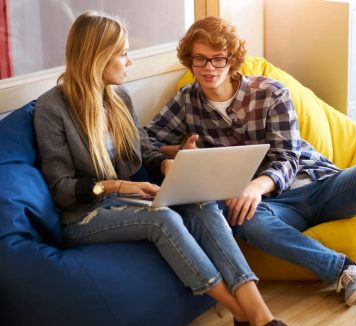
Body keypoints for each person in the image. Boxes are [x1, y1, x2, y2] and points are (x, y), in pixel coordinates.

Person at [145, 16, 356, 326]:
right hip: (274, 208)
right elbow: (141, 138)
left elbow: (287, 156)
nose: (209, 67)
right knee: (243, 218)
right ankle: (342, 270)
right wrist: (169, 156)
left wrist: (256, 186)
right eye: (200, 59)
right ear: (189, 60)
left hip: (320, 184)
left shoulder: (270, 92)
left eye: (219, 58)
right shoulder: (187, 102)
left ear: (232, 60)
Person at [33, 11, 285, 326]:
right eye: (123, 54)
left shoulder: (118, 98)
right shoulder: (51, 109)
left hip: (123, 201)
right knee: (161, 218)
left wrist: (170, 163)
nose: (130, 62)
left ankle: (259, 313)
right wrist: (117, 186)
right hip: (83, 215)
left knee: (201, 202)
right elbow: (62, 188)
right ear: (98, 56)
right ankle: (241, 312)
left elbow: (143, 149)